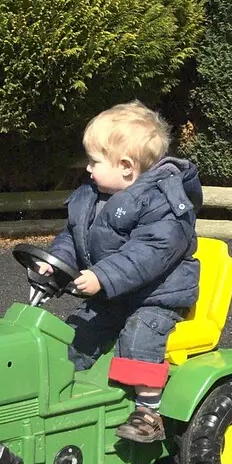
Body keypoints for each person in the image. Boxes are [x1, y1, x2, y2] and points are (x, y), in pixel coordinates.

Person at [43, 101, 201, 443]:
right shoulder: (95, 196)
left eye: (95, 161)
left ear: (126, 167)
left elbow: (148, 254)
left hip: (156, 296)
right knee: (77, 331)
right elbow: (72, 235)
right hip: (113, 293)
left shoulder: (164, 205)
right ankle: (66, 386)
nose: (87, 168)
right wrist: (54, 262)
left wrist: (102, 277)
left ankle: (149, 410)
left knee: (139, 333)